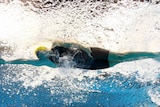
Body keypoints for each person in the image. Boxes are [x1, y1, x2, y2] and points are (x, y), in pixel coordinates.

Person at [0, 41, 159, 70]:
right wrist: (7, 62)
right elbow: (26, 62)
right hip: (89, 65)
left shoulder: (57, 44)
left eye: (42, 52)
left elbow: (73, 43)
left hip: (91, 53)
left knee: (121, 56)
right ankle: (151, 56)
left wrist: (86, 49)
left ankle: (153, 54)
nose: (43, 55)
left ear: (45, 49)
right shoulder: (47, 63)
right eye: (40, 56)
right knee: (120, 61)